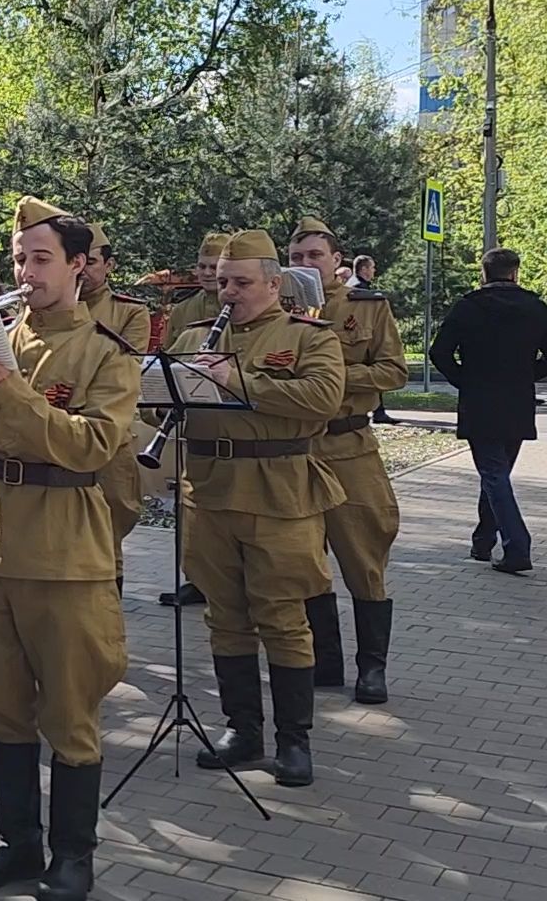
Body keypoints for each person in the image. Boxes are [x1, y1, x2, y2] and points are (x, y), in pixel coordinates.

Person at [0, 198, 135, 901]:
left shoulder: (105, 352)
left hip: (63, 546)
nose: (26, 271)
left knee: (71, 709)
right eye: (19, 258)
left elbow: (91, 445)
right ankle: (17, 843)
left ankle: (73, 855)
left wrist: (11, 391)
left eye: (42, 258)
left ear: (79, 266)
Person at [170, 229, 343, 788]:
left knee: (284, 618)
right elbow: (153, 403)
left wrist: (237, 378)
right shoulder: (194, 335)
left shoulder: (307, 336)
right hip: (210, 488)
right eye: (222, 282)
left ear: (273, 283)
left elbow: (321, 400)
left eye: (241, 283)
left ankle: (295, 740)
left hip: (279, 493)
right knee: (225, 616)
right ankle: (242, 730)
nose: (228, 292)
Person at [287, 219, 405, 702]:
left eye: (315, 256)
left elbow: (394, 371)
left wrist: (334, 372)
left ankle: (372, 668)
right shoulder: (277, 311)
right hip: (295, 449)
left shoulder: (368, 308)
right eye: (296, 258)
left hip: (349, 447)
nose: (306, 265)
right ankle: (324, 661)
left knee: (364, 558)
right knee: (304, 560)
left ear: (337, 260)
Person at [429, 248, 547, 573]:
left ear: (484, 273)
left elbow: (439, 351)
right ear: (515, 273)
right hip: (518, 403)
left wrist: (465, 380)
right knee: (498, 476)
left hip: (479, 402)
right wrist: (528, 375)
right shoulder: (535, 308)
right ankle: (483, 543)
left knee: (494, 476)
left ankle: (517, 547)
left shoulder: (468, 306)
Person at [160, 232, 231, 608]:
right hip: (195, 419)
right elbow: (171, 354)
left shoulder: (239, 304)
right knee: (191, 507)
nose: (205, 273)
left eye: (213, 268)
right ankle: (196, 578)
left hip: (232, 414)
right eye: (201, 266)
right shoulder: (185, 309)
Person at [81, 223, 151, 590]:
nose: (85, 270)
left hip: (111, 437)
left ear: (108, 266)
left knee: (111, 529)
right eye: (79, 261)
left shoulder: (130, 312)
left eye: (93, 262)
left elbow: (126, 368)